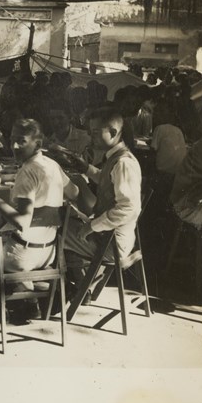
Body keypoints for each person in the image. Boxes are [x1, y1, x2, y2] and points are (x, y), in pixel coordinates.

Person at [0, 118, 79, 320]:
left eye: (21, 141)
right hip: (49, 253)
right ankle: (29, 299)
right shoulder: (52, 164)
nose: (14, 146)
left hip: (21, 256)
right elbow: (74, 192)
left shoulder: (27, 172)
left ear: (38, 143)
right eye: (12, 140)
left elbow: (22, 221)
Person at [64, 106, 142, 292]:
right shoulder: (116, 158)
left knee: (56, 229)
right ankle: (83, 285)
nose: (91, 137)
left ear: (113, 133)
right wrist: (86, 169)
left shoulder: (124, 163)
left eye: (96, 133)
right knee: (67, 219)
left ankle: (78, 288)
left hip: (111, 244)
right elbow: (107, 180)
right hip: (110, 237)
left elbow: (128, 208)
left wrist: (91, 226)